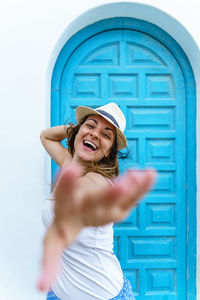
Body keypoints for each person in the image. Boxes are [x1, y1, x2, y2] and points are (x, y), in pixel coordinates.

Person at [38, 102, 157, 300]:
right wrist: (78, 131)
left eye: (106, 135)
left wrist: (86, 131)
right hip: (59, 293)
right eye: (91, 125)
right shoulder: (69, 165)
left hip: (103, 295)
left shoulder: (98, 181)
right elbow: (46, 136)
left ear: (109, 151)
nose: (95, 134)